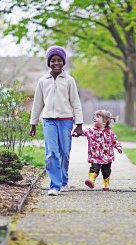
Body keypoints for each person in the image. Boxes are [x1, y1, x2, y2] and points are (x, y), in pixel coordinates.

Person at [30, 45, 83, 196]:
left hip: (66, 120)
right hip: (48, 121)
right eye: (53, 60)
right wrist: (33, 123)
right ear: (49, 62)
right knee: (51, 153)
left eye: (59, 60)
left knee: (65, 152)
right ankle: (54, 185)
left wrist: (79, 124)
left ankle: (64, 180)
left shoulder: (69, 81)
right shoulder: (43, 81)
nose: (56, 63)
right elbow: (37, 103)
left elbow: (76, 103)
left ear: (63, 62)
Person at [76, 110, 122, 191]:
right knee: (94, 168)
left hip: (107, 157)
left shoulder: (109, 132)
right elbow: (82, 132)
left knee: (106, 171)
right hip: (95, 156)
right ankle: (91, 181)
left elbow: (115, 141)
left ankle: (106, 182)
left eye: (98, 117)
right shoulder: (90, 131)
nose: (94, 118)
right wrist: (76, 133)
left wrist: (118, 147)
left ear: (104, 122)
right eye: (94, 116)